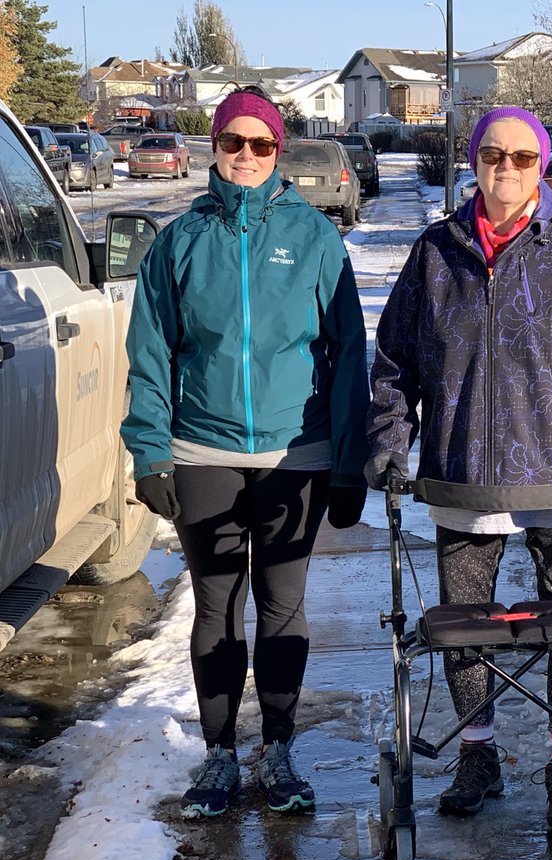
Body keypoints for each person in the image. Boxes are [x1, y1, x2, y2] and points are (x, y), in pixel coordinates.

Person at [365, 106, 552, 836]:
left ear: (543, 164)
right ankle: (478, 754)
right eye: (493, 154)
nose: (507, 168)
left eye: (523, 157)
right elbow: (394, 367)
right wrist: (390, 443)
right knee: (465, 628)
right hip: (461, 477)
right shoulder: (436, 254)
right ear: (474, 161)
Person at [121, 86, 369, 819]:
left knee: (282, 607)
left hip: (298, 454)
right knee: (216, 607)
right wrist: (150, 455)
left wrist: (350, 462)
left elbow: (349, 353)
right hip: (204, 451)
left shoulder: (316, 238)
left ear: (278, 152)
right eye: (234, 142)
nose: (248, 157)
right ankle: (221, 755)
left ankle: (281, 750)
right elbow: (150, 354)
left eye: (262, 145)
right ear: (214, 148)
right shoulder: (179, 241)